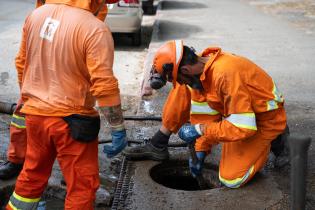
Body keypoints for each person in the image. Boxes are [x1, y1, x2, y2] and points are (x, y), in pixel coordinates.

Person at [5, 0, 126, 209]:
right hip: (73, 122)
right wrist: (117, 127)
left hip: (35, 116)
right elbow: (104, 84)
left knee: (32, 174)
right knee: (81, 185)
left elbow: (21, 62)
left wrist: (27, 97)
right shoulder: (94, 28)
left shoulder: (36, 15)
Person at [123, 40, 288, 188]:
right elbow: (205, 117)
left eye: (179, 79)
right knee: (186, 89)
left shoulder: (224, 74)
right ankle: (159, 142)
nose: (180, 83)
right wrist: (201, 149)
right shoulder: (200, 74)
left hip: (263, 120)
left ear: (186, 70)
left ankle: (276, 138)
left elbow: (243, 127)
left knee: (231, 179)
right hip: (239, 114)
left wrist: (200, 130)